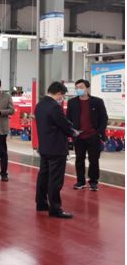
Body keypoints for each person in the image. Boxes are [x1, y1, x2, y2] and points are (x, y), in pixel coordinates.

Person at [35, 82, 79, 219]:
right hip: (56, 148)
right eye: (62, 96)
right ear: (59, 93)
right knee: (55, 179)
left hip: (44, 147)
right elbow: (64, 124)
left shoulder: (40, 105)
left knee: (43, 176)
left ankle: (41, 203)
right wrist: (74, 132)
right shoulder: (55, 107)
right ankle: (55, 208)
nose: (62, 99)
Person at [66, 79, 108, 191]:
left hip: (93, 136)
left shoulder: (97, 102)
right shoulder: (72, 102)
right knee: (79, 160)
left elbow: (104, 118)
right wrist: (72, 132)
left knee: (94, 160)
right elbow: (68, 119)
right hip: (78, 137)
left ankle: (93, 182)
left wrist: (98, 133)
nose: (78, 89)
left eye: (80, 87)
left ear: (87, 88)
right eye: (76, 88)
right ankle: (80, 182)